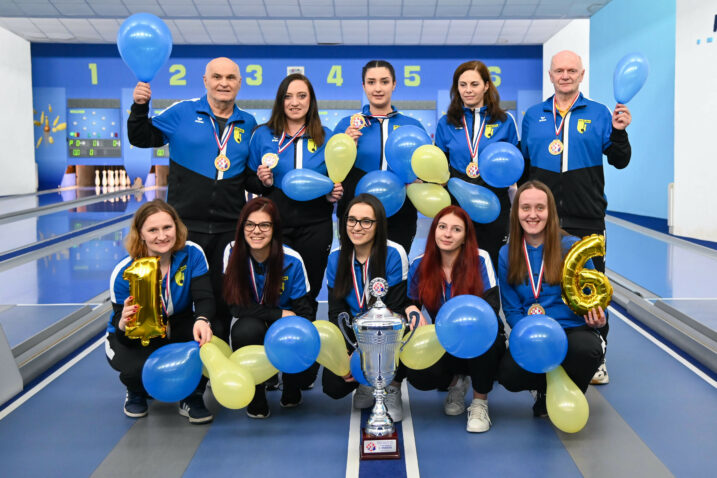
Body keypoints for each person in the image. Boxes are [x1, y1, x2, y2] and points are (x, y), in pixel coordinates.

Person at [127, 57, 258, 343]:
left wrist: (265, 179)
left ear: (239, 83)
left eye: (231, 78)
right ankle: (190, 371)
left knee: (223, 299)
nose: (224, 83)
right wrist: (139, 107)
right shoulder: (183, 112)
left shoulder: (248, 123)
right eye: (217, 77)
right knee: (186, 298)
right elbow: (140, 137)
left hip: (228, 227)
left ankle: (218, 368)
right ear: (205, 81)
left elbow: (246, 176)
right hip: (185, 226)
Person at [520, 50, 631, 384]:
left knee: (592, 286)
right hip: (543, 219)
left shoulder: (598, 113)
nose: (565, 75)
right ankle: (543, 345)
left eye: (571, 70)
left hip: (587, 216)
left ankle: (597, 352)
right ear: (551, 76)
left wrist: (621, 131)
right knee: (542, 283)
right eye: (559, 70)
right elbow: (524, 170)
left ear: (581, 75)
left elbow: (620, 160)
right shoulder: (533, 115)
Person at [496, 181, 606, 417]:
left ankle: (570, 390)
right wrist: (530, 333)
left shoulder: (572, 246)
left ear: (550, 212)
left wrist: (599, 318)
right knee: (508, 374)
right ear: (516, 212)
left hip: (571, 329)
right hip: (533, 331)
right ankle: (545, 390)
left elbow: (594, 296)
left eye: (540, 208)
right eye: (525, 208)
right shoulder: (507, 253)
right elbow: (512, 310)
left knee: (587, 351)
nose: (532, 215)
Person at [106, 199, 215, 424]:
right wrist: (124, 323)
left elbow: (204, 297)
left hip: (178, 323)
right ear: (141, 234)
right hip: (136, 334)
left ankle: (192, 396)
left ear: (177, 227)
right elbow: (122, 333)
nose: (162, 236)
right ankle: (136, 390)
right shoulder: (125, 271)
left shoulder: (192, 253)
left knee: (211, 334)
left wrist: (202, 320)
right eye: (153, 230)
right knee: (135, 368)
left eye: (167, 227)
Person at [247, 73, 342, 321]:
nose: (295, 102)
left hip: (315, 226)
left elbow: (334, 181)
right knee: (274, 290)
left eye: (302, 96)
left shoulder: (326, 137)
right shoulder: (263, 135)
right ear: (280, 101)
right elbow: (248, 179)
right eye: (288, 96)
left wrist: (333, 194)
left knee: (307, 292)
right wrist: (263, 182)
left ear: (311, 101)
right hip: (275, 224)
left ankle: (305, 351)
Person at [405, 205, 504, 433]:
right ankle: (456, 383)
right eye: (442, 227)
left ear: (465, 237)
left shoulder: (481, 259)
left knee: (483, 340)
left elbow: (491, 307)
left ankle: (480, 402)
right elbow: (409, 302)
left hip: (480, 336)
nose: (447, 234)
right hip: (444, 339)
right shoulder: (420, 264)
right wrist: (412, 310)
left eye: (456, 229)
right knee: (419, 374)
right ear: (434, 231)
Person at [222, 197, 314, 418]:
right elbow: (235, 307)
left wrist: (292, 330)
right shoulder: (232, 253)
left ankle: (291, 383)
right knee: (246, 330)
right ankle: (257, 394)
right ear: (242, 227)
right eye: (250, 224)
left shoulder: (292, 260)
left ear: (274, 229)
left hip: (286, 325)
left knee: (305, 372)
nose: (257, 231)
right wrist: (277, 313)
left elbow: (305, 312)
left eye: (264, 225)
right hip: (255, 319)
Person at [322, 194, 409, 421]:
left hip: (387, 331)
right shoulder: (335, 258)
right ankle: (365, 382)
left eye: (366, 221)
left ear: (378, 225)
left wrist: (372, 352)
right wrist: (349, 352)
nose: (357, 227)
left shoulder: (394, 253)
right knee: (332, 386)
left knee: (407, 326)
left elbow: (397, 309)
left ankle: (390, 386)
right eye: (352, 220)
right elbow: (336, 312)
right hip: (353, 331)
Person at [334, 60, 427, 255]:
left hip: (400, 209)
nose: (378, 88)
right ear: (363, 86)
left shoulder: (412, 126)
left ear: (394, 84)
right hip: (356, 210)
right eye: (371, 82)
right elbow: (333, 170)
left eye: (384, 82)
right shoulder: (346, 125)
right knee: (354, 269)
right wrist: (347, 146)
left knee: (395, 269)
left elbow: (426, 168)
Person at [435, 60, 519, 267]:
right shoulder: (446, 123)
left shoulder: (505, 121)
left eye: (474, 84)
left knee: (493, 264)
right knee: (457, 266)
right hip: (458, 208)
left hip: (496, 207)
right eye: (462, 85)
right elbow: (438, 169)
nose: (468, 90)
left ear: (486, 86)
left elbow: (515, 168)